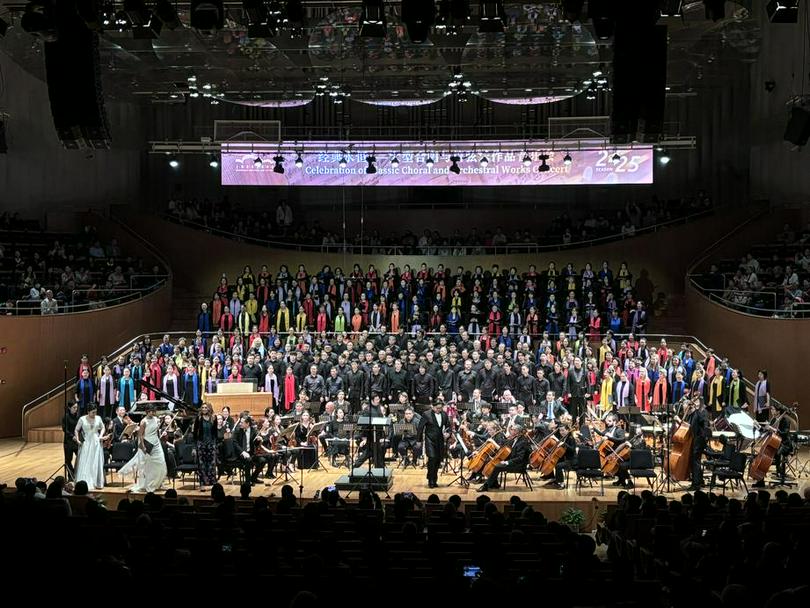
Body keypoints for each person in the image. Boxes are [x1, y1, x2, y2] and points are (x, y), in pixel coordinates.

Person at [119, 403, 168, 493]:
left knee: (161, 462)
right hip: (147, 443)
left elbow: (157, 432)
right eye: (150, 411)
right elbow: (140, 435)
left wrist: (159, 439)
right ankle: (150, 484)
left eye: (153, 411)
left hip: (156, 443)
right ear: (147, 412)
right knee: (148, 466)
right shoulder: (143, 421)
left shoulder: (156, 419)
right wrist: (143, 446)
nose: (152, 413)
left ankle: (159, 482)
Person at [477, 424, 530, 492]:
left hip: (518, 465)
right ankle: (494, 484)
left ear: (517, 431)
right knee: (490, 462)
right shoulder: (514, 439)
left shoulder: (522, 441)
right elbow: (504, 445)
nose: (510, 431)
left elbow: (520, 458)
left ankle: (486, 486)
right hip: (512, 460)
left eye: (512, 430)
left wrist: (507, 462)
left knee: (497, 466)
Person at [417, 400, 450, 488]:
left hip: (440, 440)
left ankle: (434, 479)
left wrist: (448, 433)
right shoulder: (426, 414)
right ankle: (430, 480)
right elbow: (420, 428)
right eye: (437, 408)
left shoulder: (444, 414)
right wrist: (419, 441)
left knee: (438, 460)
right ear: (432, 406)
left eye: (440, 408)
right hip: (430, 440)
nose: (439, 410)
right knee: (432, 458)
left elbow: (448, 426)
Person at [74, 405, 105, 491]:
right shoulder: (82, 419)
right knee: (86, 461)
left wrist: (101, 436)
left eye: (95, 412)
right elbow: (76, 429)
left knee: (95, 461)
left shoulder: (98, 418)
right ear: (88, 412)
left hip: (95, 441)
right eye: (93, 412)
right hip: (87, 441)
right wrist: (77, 439)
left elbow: (103, 427)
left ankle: (96, 481)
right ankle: (86, 481)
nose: (94, 414)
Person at [192, 403, 218, 487]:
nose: (203, 409)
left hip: (211, 444)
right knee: (202, 464)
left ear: (209, 409)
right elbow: (195, 434)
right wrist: (194, 447)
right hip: (201, 444)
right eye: (202, 407)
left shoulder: (213, 418)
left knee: (212, 463)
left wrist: (214, 443)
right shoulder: (198, 419)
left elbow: (215, 433)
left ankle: (212, 481)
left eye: (205, 407)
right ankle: (203, 482)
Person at [61, 402, 79, 480]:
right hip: (68, 441)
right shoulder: (66, 417)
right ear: (69, 408)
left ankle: (77, 473)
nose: (76, 409)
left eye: (76, 407)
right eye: (74, 407)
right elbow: (65, 429)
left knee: (80, 456)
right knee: (68, 460)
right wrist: (72, 436)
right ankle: (71, 475)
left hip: (76, 440)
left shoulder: (78, 417)